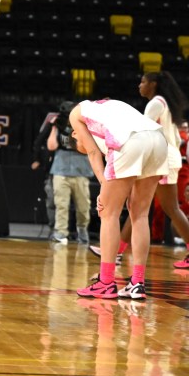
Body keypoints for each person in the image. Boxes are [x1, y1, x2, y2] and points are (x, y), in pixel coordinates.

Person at [70, 99, 167, 299]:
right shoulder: (105, 107)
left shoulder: (75, 114)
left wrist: (104, 185)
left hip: (130, 141)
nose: (83, 144)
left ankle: (105, 282)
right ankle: (137, 283)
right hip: (158, 140)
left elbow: (93, 152)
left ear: (74, 134)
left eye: (78, 144)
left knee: (108, 213)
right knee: (139, 214)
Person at [92, 72, 189, 268]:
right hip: (163, 156)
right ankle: (117, 251)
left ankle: (116, 252)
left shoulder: (156, 102)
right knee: (139, 209)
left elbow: (141, 128)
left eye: (143, 81)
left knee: (165, 208)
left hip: (162, 158)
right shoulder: (162, 102)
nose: (139, 85)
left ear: (153, 84)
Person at [45, 102, 94, 245]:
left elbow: (87, 147)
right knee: (61, 204)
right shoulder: (59, 126)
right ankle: (60, 233)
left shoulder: (85, 127)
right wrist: (54, 127)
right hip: (61, 170)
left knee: (83, 206)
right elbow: (51, 146)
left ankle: (82, 230)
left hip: (81, 171)